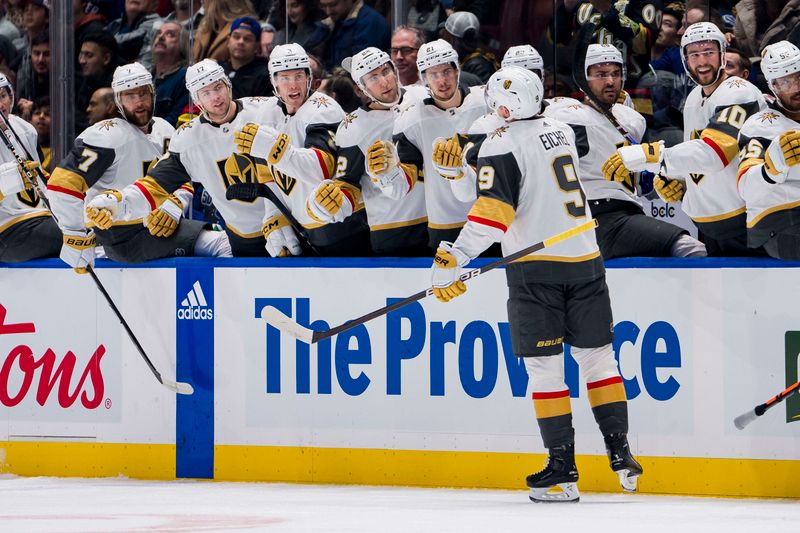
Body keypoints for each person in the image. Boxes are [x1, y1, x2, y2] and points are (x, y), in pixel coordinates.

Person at [429, 66, 641, 503]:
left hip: (537, 269)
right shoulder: (560, 130)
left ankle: (562, 471)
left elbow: (493, 212)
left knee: (546, 370)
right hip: (585, 259)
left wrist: (456, 254)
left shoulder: (501, 142)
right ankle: (620, 454)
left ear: (504, 105)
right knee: (599, 360)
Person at [49, 62, 231, 272]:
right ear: (118, 101)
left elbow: (182, 178)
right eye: (130, 96)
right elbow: (61, 185)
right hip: (120, 239)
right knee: (219, 242)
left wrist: (174, 205)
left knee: (223, 235)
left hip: (156, 232)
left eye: (143, 93)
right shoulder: (106, 136)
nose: (139, 102)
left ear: (153, 93)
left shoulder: (164, 129)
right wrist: (75, 235)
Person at [614, 22, 768, 255]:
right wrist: (679, 180)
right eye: (694, 54)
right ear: (685, 60)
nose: (702, 61)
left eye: (709, 52)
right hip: (713, 225)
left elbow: (715, 152)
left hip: (745, 223)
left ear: (723, 55)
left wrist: (653, 156)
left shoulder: (739, 92)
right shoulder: (695, 97)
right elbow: (700, 155)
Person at [547, 44, 705, 259]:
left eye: (615, 74)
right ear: (583, 79)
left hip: (629, 215)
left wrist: (666, 181)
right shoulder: (568, 118)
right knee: (692, 249)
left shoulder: (633, 120)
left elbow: (642, 184)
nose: (610, 81)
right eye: (601, 75)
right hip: (596, 217)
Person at [233, 43, 371, 256]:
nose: (293, 85)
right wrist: (275, 217)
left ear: (309, 78)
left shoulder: (324, 109)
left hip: (345, 227)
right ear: (273, 81)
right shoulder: (266, 114)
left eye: (298, 76)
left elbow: (322, 169)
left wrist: (275, 149)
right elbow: (266, 175)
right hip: (305, 231)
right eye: (285, 78)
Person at [306, 47, 428, 256]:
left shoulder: (423, 96)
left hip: (438, 222)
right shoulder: (353, 127)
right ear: (360, 89)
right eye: (372, 78)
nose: (384, 82)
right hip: (394, 232)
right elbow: (348, 186)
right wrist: (331, 205)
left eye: (385, 71)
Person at [370, 39, 487, 249]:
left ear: (457, 70)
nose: (442, 81)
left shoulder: (486, 103)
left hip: (492, 217)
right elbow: (404, 183)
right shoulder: (411, 121)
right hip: (445, 225)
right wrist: (387, 174)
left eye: (446, 71)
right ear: (423, 78)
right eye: (433, 74)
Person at [737, 41, 800, 259]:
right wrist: (771, 168)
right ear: (773, 86)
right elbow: (745, 187)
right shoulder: (760, 125)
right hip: (777, 222)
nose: (796, 87)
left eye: (799, 76)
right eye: (786, 81)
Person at [0, 73, 61, 263]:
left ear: (12, 97)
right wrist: (10, 180)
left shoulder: (25, 129)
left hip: (41, 218)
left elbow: (41, 178)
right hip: (7, 231)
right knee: (73, 232)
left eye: (2, 96)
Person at [319, 0, 390, 71]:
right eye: (323, 6)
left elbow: (363, 67)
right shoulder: (334, 22)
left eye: (333, 5)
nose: (328, 12)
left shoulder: (370, 23)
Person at [221, 16, 271, 99]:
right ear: (228, 41)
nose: (241, 42)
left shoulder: (264, 76)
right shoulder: (218, 70)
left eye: (247, 39)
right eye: (236, 37)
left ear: (256, 46)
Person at [151, 20, 189, 126]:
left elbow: (176, 120)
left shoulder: (185, 79)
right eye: (159, 33)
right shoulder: (145, 76)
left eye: (170, 34)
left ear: (182, 44)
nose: (161, 37)